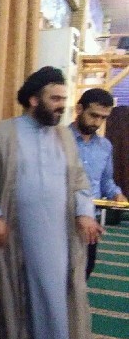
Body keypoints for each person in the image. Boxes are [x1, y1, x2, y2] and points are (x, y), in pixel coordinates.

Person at [0, 66, 103, 339]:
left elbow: (79, 181)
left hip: (58, 237)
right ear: (34, 99)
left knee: (52, 298)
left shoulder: (64, 137)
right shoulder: (2, 134)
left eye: (64, 98)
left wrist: (85, 213)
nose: (62, 105)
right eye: (55, 98)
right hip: (13, 237)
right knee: (10, 296)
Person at [69, 88, 128, 279]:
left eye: (103, 118)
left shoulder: (105, 146)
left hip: (90, 222)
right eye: (93, 115)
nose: (97, 122)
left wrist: (116, 193)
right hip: (62, 219)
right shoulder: (59, 139)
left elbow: (106, 181)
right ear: (79, 109)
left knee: (85, 272)